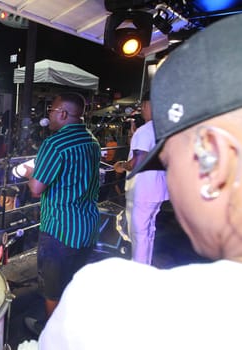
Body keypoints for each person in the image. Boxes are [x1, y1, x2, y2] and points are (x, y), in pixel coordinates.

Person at [39, 13, 242, 350]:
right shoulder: (89, 141)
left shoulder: (109, 299)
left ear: (214, 162)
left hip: (60, 231)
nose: (170, 185)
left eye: (169, 162)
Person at [22, 93, 101, 335]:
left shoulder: (54, 144)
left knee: (52, 290)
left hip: (59, 230)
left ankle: (52, 336)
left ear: (63, 114)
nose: (49, 116)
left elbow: (36, 188)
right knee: (72, 284)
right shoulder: (92, 141)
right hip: (86, 228)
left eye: (51, 111)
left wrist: (28, 173)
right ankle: (69, 330)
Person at [114, 92, 169, 265]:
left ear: (148, 105)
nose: (141, 109)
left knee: (138, 234)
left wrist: (122, 165)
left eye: (143, 105)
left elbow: (138, 160)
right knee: (148, 231)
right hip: (157, 189)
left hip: (142, 190)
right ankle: (146, 265)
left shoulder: (145, 131)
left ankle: (139, 273)